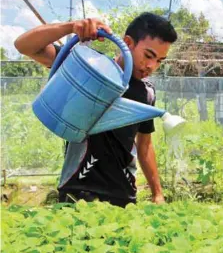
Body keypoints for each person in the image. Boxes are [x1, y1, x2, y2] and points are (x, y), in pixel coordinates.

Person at [14, 13, 178, 207]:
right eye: (149, 55)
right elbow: (24, 45)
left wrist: (157, 193)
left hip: (124, 195)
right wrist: (72, 27)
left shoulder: (147, 93)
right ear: (128, 43)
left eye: (160, 60)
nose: (151, 66)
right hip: (77, 191)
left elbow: (144, 145)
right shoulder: (88, 68)